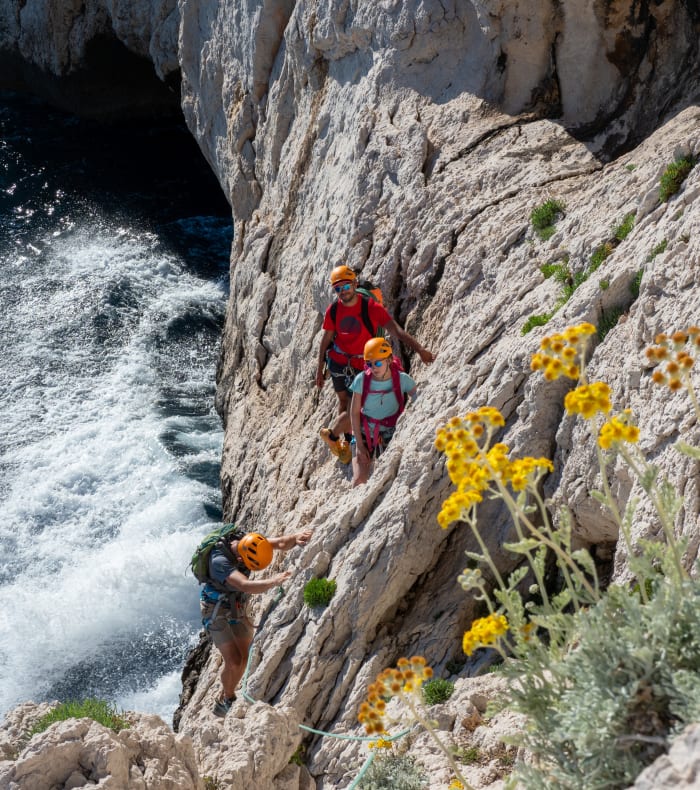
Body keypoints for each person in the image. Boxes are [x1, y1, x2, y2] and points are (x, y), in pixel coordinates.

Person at [316, 265, 434, 464]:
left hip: (361, 363)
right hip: (338, 362)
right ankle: (346, 442)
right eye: (338, 289)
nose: (343, 292)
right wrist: (319, 369)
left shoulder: (369, 307)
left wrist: (419, 349)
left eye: (346, 287)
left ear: (354, 284)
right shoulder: (334, 310)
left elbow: (396, 330)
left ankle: (335, 436)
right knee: (344, 402)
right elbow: (326, 340)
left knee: (356, 404)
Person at [200, 527, 313, 716]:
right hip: (215, 610)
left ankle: (227, 690)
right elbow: (245, 585)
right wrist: (274, 582)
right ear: (239, 559)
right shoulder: (219, 561)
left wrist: (296, 537)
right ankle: (226, 699)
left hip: (235, 604)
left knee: (245, 657)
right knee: (234, 661)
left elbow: (279, 543)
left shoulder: (249, 541)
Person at [349, 338, 418, 487]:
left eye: (378, 363)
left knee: (390, 477)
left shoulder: (402, 379)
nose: (373, 367)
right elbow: (354, 413)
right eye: (369, 363)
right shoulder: (361, 380)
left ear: (389, 360)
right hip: (365, 430)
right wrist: (360, 446)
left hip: (391, 430)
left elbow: (419, 397)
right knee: (359, 479)